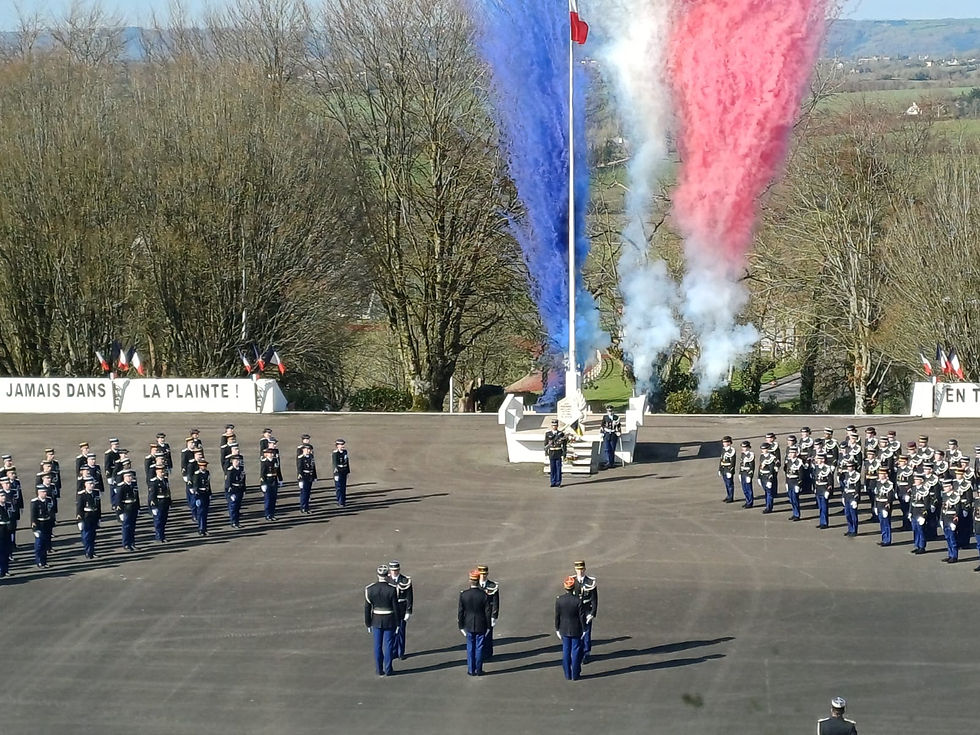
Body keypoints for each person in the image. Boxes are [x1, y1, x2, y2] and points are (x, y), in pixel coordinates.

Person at [364, 563, 400, 676]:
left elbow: (367, 609)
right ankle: (388, 669)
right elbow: (396, 608)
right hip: (389, 619)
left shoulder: (370, 589)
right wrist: (398, 623)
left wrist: (368, 623)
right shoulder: (392, 589)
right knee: (388, 645)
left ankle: (379, 669)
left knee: (377, 646)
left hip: (376, 619)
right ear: (387, 575)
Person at [458, 568, 492, 676]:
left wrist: (461, 626)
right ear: (478, 581)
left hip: (468, 624)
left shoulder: (464, 595)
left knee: (470, 647)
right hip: (481, 624)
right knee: (479, 647)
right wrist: (488, 626)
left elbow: (460, 612)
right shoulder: (484, 595)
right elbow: (487, 612)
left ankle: (471, 669)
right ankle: (479, 669)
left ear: (470, 581)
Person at [555, 575, 587, 681]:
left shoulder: (559, 600)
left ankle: (567, 674)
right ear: (573, 587)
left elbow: (557, 615)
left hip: (564, 629)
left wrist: (557, 628)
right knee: (576, 651)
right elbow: (581, 616)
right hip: (576, 629)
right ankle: (575, 674)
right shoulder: (578, 601)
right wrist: (584, 629)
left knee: (566, 652)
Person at [572, 560, 597, 661]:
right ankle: (577, 652)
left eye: (582, 570)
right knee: (576, 632)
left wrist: (593, 613)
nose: (580, 572)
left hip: (586, 610)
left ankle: (586, 653)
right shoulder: (571, 581)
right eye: (578, 570)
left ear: (585, 569)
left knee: (586, 632)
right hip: (575, 611)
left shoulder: (591, 582)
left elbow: (594, 598)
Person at [388, 560, 413, 660]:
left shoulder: (405, 580)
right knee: (392, 631)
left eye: (396, 570)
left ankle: (400, 652)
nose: (394, 572)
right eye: (393, 570)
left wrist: (408, 611)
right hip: (391, 609)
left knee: (401, 631)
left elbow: (410, 597)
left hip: (401, 608)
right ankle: (393, 651)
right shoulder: (387, 580)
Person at [30, 482, 55, 568]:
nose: (45, 493)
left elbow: (51, 512)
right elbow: (33, 516)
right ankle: (39, 561)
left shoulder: (49, 500)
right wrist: (34, 528)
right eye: (43, 492)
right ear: (39, 492)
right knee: (39, 545)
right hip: (39, 524)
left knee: (45, 545)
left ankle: (44, 561)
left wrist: (52, 523)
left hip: (47, 524)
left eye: (45, 491)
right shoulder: (35, 502)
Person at [477, 564, 499, 659]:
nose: (483, 576)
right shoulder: (475, 585)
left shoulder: (492, 586)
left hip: (488, 614)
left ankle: (488, 653)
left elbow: (496, 602)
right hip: (478, 613)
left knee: (488, 634)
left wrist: (494, 616)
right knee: (479, 634)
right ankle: (480, 653)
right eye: (481, 574)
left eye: (485, 574)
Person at [76, 477, 101, 558]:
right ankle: (88, 552)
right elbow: (79, 508)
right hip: (86, 517)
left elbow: (98, 506)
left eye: (93, 483)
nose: (92, 485)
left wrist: (99, 517)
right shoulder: (82, 495)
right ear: (85, 485)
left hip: (94, 516)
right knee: (87, 536)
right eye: (90, 484)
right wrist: (80, 520)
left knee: (93, 535)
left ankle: (92, 551)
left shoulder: (96, 493)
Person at [939, 478, 962, 563]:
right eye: (944, 487)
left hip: (951, 519)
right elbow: (943, 508)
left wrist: (955, 522)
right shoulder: (945, 495)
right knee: (947, 538)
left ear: (951, 486)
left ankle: (954, 556)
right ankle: (950, 555)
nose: (944, 488)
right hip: (945, 519)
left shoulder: (956, 496)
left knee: (952, 539)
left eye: (946, 486)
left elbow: (958, 510)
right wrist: (941, 519)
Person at [116, 469, 140, 551]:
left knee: (132, 527)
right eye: (128, 476)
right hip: (126, 509)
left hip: (133, 508)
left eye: (130, 476)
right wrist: (120, 513)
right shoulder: (121, 487)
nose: (130, 478)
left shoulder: (134, 485)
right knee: (126, 527)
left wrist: (138, 508)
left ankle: (132, 543)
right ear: (124, 477)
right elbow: (118, 501)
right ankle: (126, 544)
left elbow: (137, 498)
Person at [147, 465, 172, 542]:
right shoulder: (154, 482)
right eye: (161, 472)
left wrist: (170, 502)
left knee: (164, 521)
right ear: (156, 472)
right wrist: (153, 507)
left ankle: (163, 535)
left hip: (165, 502)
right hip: (158, 503)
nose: (162, 473)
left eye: (163, 471)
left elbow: (168, 491)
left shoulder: (165, 480)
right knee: (158, 521)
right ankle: (159, 537)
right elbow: (151, 496)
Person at [909, 473, 931, 555]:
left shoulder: (925, 490)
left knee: (921, 530)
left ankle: (922, 546)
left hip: (920, 512)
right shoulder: (914, 488)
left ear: (921, 481)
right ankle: (917, 545)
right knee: (915, 529)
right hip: (914, 511)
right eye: (915, 480)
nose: (915, 481)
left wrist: (923, 515)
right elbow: (912, 501)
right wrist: (910, 512)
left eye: (917, 480)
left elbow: (926, 504)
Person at [872, 466, 895, 547]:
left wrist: (887, 507)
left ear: (886, 475)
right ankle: (884, 538)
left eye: (882, 474)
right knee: (882, 523)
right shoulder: (878, 483)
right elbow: (876, 495)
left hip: (885, 505)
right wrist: (875, 506)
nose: (880, 475)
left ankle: (887, 540)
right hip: (879, 504)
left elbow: (890, 497)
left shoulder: (889, 484)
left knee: (886, 523)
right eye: (880, 474)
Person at [813, 453, 834, 529]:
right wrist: (815, 488)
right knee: (820, 507)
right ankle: (821, 521)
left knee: (824, 507)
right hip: (818, 488)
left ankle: (824, 523)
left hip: (824, 488)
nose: (816, 460)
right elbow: (815, 479)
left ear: (823, 460)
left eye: (818, 459)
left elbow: (830, 481)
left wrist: (828, 490)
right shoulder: (816, 467)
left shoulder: (827, 468)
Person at [224, 454, 246, 528]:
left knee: (238, 507)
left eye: (238, 461)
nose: (237, 462)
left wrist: (244, 490)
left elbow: (243, 481)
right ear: (232, 461)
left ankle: (237, 521)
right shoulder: (230, 471)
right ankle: (233, 522)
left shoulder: (241, 470)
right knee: (233, 507)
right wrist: (230, 494)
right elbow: (228, 483)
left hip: (239, 490)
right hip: (233, 491)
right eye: (236, 461)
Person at [544, 420, 568, 488]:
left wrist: (564, 453)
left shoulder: (561, 434)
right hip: (551, 452)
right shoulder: (548, 434)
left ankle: (558, 482)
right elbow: (545, 443)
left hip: (558, 452)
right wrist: (546, 452)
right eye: (553, 425)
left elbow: (564, 444)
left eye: (555, 425)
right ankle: (553, 482)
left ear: (557, 426)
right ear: (551, 426)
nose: (554, 427)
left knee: (558, 468)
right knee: (552, 468)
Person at [192, 459, 213, 536]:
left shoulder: (207, 473)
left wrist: (210, 493)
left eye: (205, 466)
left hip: (206, 494)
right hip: (200, 494)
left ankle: (204, 529)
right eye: (203, 466)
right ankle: (201, 529)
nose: (204, 467)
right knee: (201, 513)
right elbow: (195, 487)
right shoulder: (197, 474)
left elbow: (208, 484)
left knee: (205, 513)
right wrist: (197, 498)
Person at [260, 447, 281, 521]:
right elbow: (262, 474)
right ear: (266, 455)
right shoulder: (264, 462)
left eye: (272, 453)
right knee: (268, 499)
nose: (272, 454)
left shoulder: (275, 460)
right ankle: (267, 514)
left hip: (274, 481)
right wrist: (263, 483)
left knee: (273, 499)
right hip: (268, 481)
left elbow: (278, 470)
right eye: (270, 453)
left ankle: (272, 514)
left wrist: (280, 479)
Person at [842, 460, 862, 537]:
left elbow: (857, 488)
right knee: (847, 514)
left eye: (850, 466)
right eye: (848, 466)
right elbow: (845, 486)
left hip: (853, 495)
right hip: (847, 495)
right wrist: (843, 496)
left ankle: (854, 530)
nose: (849, 468)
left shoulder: (856, 475)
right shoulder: (846, 474)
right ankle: (850, 529)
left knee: (853, 514)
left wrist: (856, 499)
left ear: (853, 467)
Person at [296, 443, 317, 514]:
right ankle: (303, 507)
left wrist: (314, 476)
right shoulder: (301, 458)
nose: (308, 450)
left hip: (310, 476)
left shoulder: (311, 456)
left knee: (308, 493)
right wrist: (300, 480)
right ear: (303, 450)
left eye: (309, 449)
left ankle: (307, 507)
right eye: (306, 449)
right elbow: (299, 469)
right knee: (304, 493)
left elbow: (313, 467)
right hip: (304, 476)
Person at [758, 442, 778, 514]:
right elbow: (760, 467)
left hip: (767, 476)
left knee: (769, 493)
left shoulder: (772, 458)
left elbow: (772, 470)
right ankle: (767, 505)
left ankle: (769, 507)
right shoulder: (762, 456)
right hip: (762, 476)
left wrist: (770, 480)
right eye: (762, 449)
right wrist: (759, 477)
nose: (763, 450)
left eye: (765, 449)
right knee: (766, 492)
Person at [784, 445, 803, 521]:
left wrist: (799, 484)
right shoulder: (788, 461)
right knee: (791, 499)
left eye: (793, 453)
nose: (791, 454)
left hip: (795, 481)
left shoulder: (799, 462)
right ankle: (794, 513)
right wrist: (786, 482)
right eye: (790, 453)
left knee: (795, 499)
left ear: (796, 453)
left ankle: (797, 514)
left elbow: (801, 474)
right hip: (789, 481)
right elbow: (786, 471)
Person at [599, 405, 621, 469]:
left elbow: (619, 426)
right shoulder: (605, 417)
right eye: (608, 411)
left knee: (612, 449)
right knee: (607, 449)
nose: (610, 412)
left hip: (613, 434)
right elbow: (602, 425)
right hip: (607, 434)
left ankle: (611, 462)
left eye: (611, 411)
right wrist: (601, 432)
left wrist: (619, 431)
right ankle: (608, 462)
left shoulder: (616, 417)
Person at [332, 439, 351, 507]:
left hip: (344, 471)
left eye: (343, 444)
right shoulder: (335, 453)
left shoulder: (345, 452)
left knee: (343, 487)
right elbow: (334, 463)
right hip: (338, 471)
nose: (343, 446)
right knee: (339, 487)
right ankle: (340, 501)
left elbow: (347, 462)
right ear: (337, 446)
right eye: (341, 445)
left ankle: (343, 500)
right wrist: (336, 473)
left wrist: (348, 471)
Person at [719, 436, 737, 503]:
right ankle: (728, 495)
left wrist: (730, 470)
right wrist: (720, 469)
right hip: (724, 468)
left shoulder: (732, 450)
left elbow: (733, 462)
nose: (724, 443)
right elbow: (721, 459)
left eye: (725, 442)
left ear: (729, 442)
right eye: (723, 442)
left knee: (730, 484)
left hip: (728, 468)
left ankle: (731, 497)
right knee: (726, 484)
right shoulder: (723, 449)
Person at [0, 488, 13, 576]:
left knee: (7, 551)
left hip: (7, 530)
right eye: (1, 496)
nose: (3, 497)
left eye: (4, 495)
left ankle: (6, 570)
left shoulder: (8, 505)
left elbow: (12, 516)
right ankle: (1, 570)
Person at [738, 441, 755, 508]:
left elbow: (752, 467)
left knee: (748, 489)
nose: (743, 448)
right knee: (744, 489)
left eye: (744, 447)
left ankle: (750, 502)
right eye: (742, 447)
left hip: (747, 473)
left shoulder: (751, 455)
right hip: (743, 472)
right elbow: (741, 464)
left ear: (748, 447)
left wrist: (750, 475)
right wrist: (740, 473)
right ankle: (747, 500)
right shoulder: (743, 454)